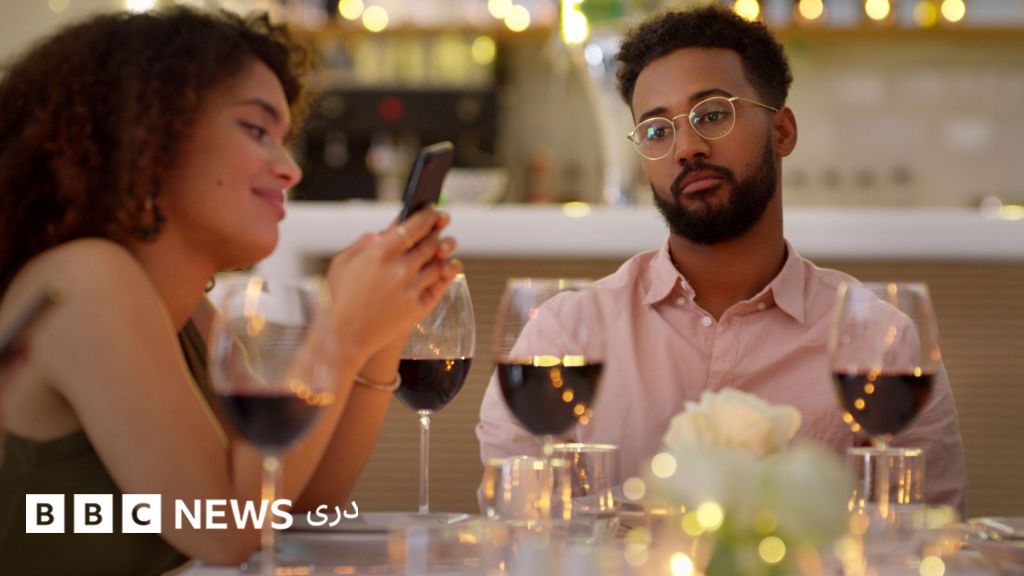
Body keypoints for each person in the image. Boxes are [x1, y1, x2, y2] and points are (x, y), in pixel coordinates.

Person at [0, 7, 460, 575]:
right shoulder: (82, 281)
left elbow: (294, 509)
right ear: (146, 137)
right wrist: (341, 329)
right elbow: (223, 531)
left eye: (283, 140)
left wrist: (376, 335)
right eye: (256, 130)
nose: (289, 169)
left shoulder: (187, 312)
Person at [477, 5, 965, 509]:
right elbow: (516, 527)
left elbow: (927, 531)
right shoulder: (562, 337)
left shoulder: (881, 344)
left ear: (782, 132)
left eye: (712, 115)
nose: (687, 148)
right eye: (657, 130)